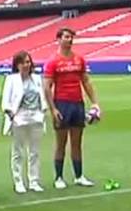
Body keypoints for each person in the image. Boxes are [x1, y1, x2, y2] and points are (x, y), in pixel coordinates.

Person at [43, 27, 101, 190]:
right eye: (66, 37)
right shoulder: (53, 61)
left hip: (77, 104)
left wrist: (95, 103)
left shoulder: (79, 59)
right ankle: (59, 177)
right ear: (59, 39)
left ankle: (79, 176)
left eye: (71, 37)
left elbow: (86, 81)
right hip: (62, 103)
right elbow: (47, 87)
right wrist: (53, 109)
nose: (70, 40)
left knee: (77, 143)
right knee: (61, 143)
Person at [1, 50, 47, 194]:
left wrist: (42, 112)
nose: (26, 65)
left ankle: (34, 180)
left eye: (28, 62)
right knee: (18, 152)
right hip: (19, 117)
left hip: (36, 117)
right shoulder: (12, 79)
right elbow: (6, 101)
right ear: (17, 65)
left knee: (35, 152)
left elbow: (42, 97)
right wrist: (11, 115)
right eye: (23, 63)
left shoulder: (37, 78)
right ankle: (18, 181)